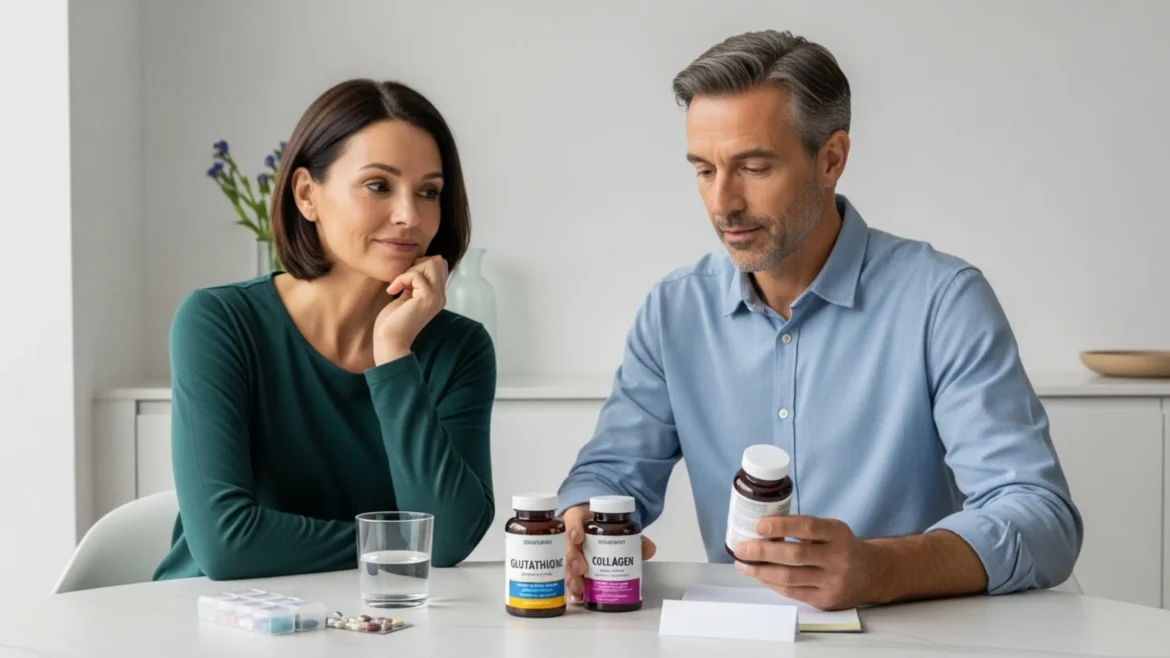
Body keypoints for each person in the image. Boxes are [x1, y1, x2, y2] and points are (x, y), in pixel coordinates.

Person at [557, 30, 1082, 611]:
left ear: (830, 159)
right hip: (738, 639)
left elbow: (1040, 517)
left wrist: (882, 569)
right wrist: (580, 520)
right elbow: (612, 474)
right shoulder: (674, 310)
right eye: (704, 170)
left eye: (753, 167)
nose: (722, 203)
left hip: (917, 638)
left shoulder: (942, 301)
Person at [154, 79, 496, 581]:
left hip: (370, 626)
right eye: (379, 185)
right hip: (215, 626)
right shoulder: (219, 323)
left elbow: (448, 539)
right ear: (306, 194)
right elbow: (227, 546)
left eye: (429, 192)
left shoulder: (459, 349)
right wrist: (399, 546)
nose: (410, 215)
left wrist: (393, 352)